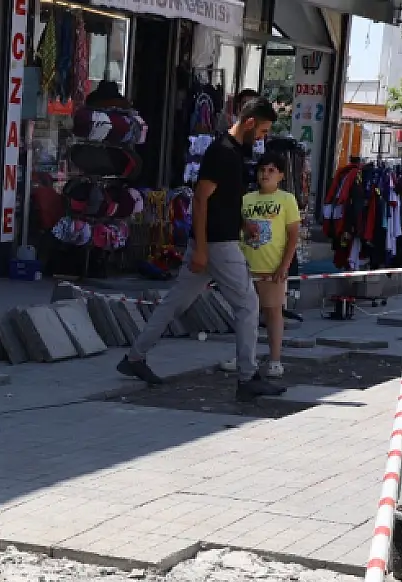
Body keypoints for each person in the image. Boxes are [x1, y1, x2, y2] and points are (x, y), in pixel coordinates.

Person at [118, 98, 283, 400]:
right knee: (248, 306)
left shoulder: (233, 153)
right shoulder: (222, 153)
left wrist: (244, 224)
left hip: (214, 243)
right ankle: (247, 378)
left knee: (174, 303)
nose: (262, 138)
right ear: (249, 123)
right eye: (262, 131)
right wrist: (203, 249)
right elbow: (201, 199)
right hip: (218, 245)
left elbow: (225, 201)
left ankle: (134, 358)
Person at [240, 152, 301, 379]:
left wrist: (285, 265)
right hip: (245, 266)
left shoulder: (286, 200)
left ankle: (275, 359)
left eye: (271, 170)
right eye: (262, 170)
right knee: (245, 314)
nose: (265, 174)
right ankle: (245, 357)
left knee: (273, 313)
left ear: (281, 175)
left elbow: (293, 235)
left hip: (272, 268)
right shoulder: (246, 199)